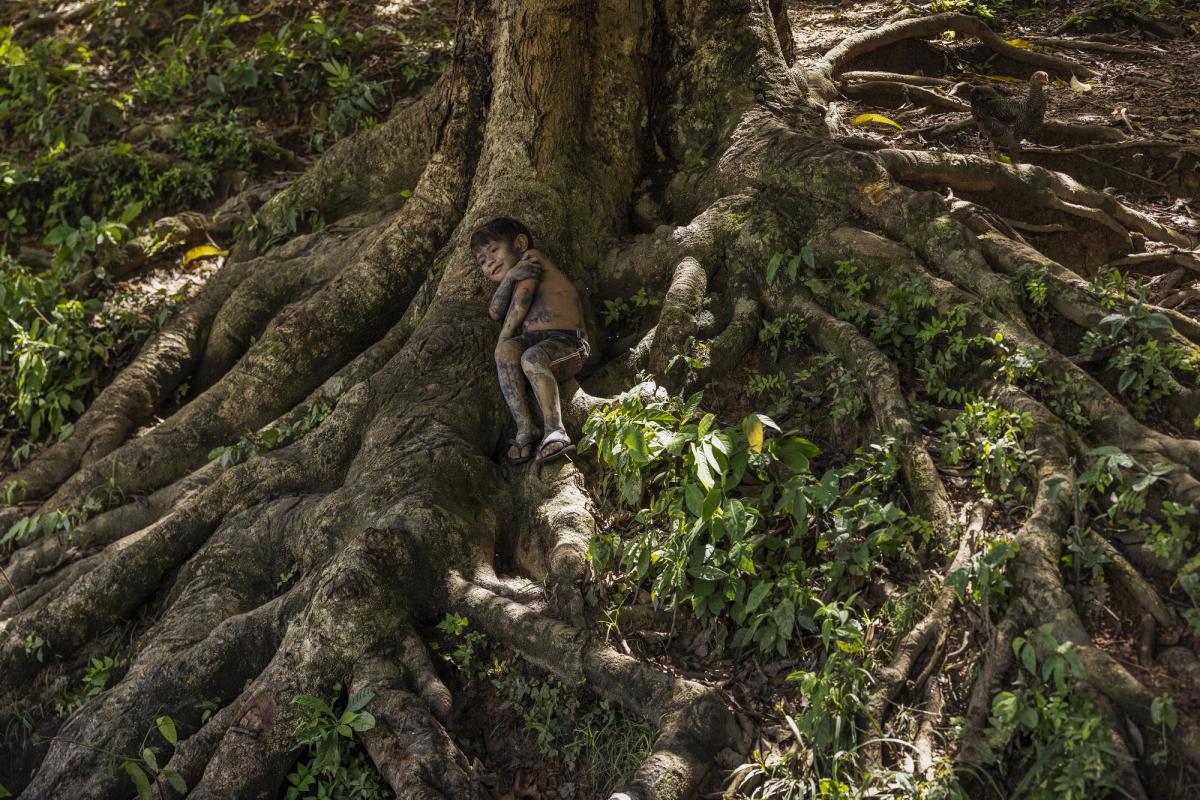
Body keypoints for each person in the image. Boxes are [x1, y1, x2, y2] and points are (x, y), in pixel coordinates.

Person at [472, 217, 589, 464]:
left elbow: (516, 311)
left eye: (494, 250)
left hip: (569, 342)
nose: (489, 261)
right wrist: (509, 277)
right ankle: (525, 429)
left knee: (530, 357)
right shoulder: (516, 275)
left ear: (520, 243)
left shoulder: (532, 260)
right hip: (535, 340)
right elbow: (494, 311)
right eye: (482, 261)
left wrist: (501, 342)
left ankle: (555, 430)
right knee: (507, 353)